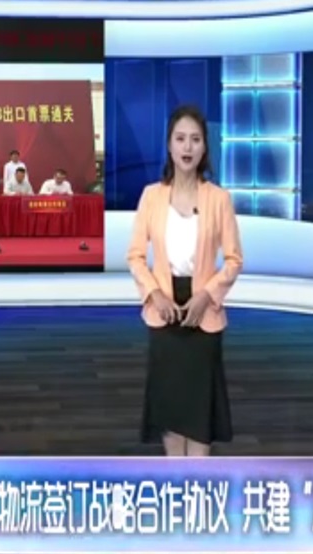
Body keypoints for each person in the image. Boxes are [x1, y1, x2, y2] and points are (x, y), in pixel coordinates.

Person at [126, 105, 242, 458]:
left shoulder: (219, 199)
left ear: (205, 147)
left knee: (199, 418)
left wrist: (207, 295)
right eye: (180, 139)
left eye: (195, 139)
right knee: (172, 416)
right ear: (169, 145)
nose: (187, 147)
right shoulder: (151, 196)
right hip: (165, 313)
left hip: (202, 313)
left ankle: (198, 485)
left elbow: (234, 260)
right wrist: (155, 294)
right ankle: (176, 481)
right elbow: (135, 256)